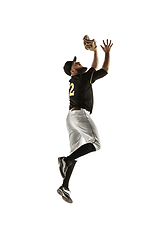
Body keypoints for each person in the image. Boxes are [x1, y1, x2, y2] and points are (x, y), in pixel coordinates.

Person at [57, 39, 113, 203]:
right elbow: (104, 69)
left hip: (70, 118)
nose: (79, 62)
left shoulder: (78, 79)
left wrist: (95, 52)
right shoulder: (82, 78)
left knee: (75, 154)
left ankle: (64, 186)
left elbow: (93, 68)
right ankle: (64, 160)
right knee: (95, 143)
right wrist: (106, 53)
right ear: (73, 71)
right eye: (75, 63)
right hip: (80, 115)